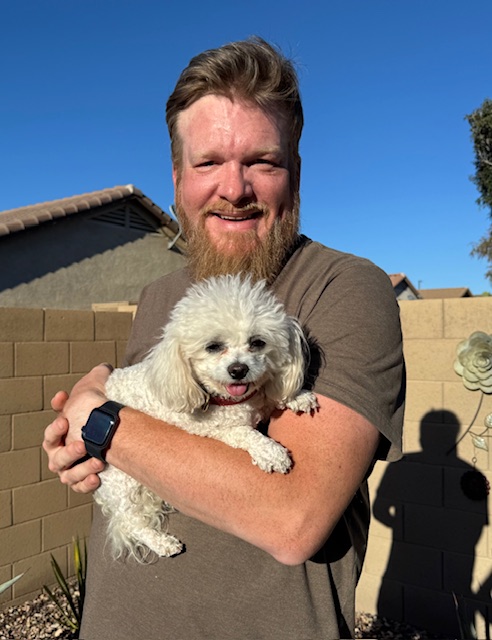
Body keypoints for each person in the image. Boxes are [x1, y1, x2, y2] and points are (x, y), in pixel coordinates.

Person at [43, 37, 405, 640]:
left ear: (295, 170)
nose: (234, 189)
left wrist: (100, 419)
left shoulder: (346, 288)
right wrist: (85, 437)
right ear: (178, 176)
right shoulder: (162, 295)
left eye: (263, 161)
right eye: (209, 162)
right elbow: (149, 427)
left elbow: (293, 519)